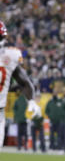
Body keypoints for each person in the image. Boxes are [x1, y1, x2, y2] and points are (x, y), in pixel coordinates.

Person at [0, 20, 41, 151]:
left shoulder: (9, 56)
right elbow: (25, 82)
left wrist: (31, 102)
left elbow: (25, 82)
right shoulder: (10, 55)